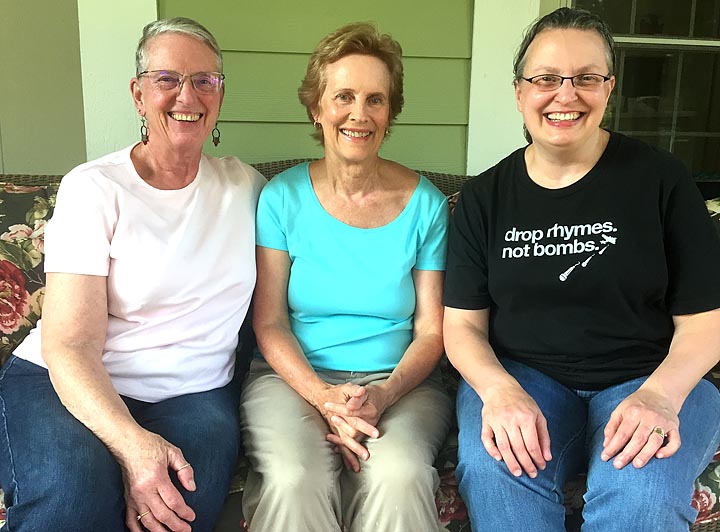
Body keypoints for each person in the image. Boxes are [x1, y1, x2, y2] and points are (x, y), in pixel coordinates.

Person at [443, 7, 720, 532]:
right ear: (520, 92)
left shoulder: (662, 181)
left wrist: (660, 395)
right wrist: (499, 392)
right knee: (495, 467)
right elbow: (461, 326)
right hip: (527, 378)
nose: (565, 95)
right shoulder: (484, 198)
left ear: (608, 88)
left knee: (641, 495)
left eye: (586, 78)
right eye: (546, 79)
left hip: (650, 375)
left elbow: (706, 322)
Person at [0, 17, 265, 532]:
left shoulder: (248, 189)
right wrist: (133, 446)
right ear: (138, 94)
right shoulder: (94, 189)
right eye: (167, 79)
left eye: (205, 80)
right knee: (72, 496)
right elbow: (70, 344)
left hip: (194, 393)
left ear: (219, 95)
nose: (187, 95)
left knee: (176, 511)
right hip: (68, 382)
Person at [239, 22, 452, 532]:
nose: (360, 113)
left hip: (401, 383)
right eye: (344, 97)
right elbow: (269, 322)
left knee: (399, 474)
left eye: (376, 99)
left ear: (390, 113)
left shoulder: (427, 205)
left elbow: (431, 331)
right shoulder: (281, 198)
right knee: (294, 477)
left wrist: (384, 394)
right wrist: (323, 397)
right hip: (292, 380)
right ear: (317, 108)